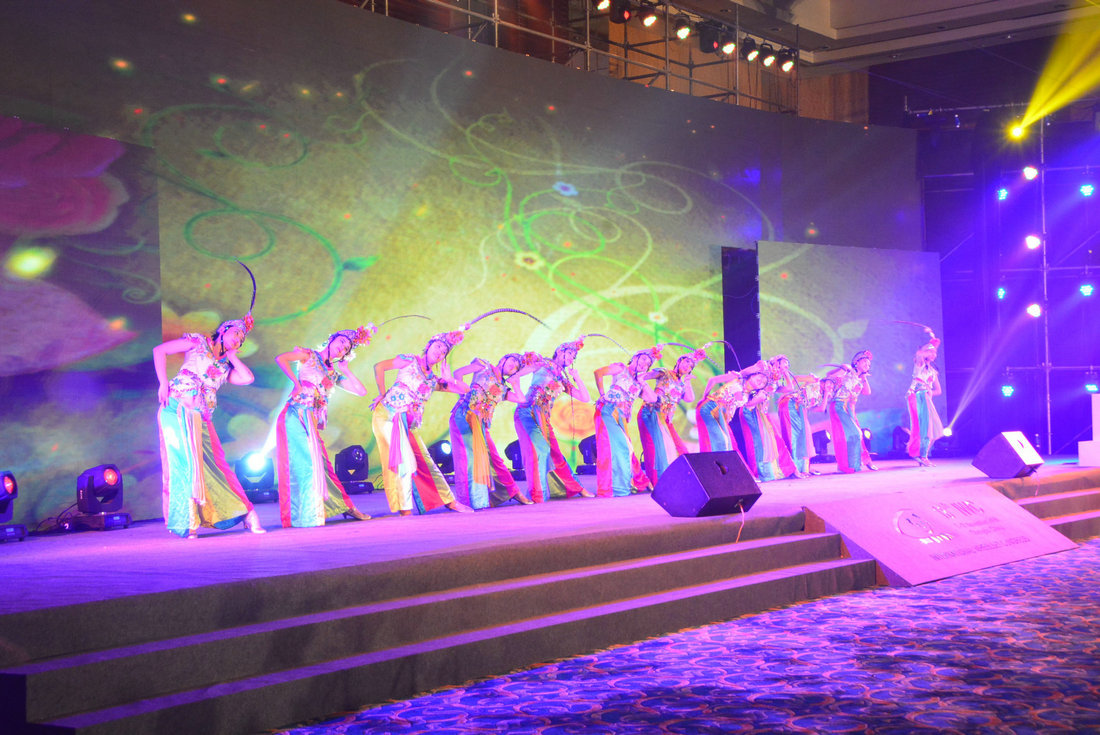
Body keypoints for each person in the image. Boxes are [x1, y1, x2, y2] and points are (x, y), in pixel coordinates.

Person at [154, 315, 265, 539]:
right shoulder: (198, 342)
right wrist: (163, 382)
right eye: (236, 333)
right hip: (175, 408)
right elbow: (160, 350)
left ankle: (246, 513)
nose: (238, 339)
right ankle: (188, 522)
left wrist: (232, 356)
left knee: (218, 465)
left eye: (242, 339)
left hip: (201, 417)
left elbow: (248, 378)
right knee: (183, 464)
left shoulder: (225, 367)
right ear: (223, 330)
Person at [275, 326, 374, 527]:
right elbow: (281, 359)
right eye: (341, 342)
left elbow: (361, 391)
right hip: (296, 413)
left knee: (321, 465)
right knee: (307, 464)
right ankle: (308, 515)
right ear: (332, 339)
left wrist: (346, 370)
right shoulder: (309, 355)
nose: (342, 348)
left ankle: (342, 507)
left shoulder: (333, 374)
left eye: (346, 348)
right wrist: (296, 383)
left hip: (311, 419)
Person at [372, 329, 474, 515]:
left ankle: (449, 501)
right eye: (438, 346)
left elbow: (465, 389)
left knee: (426, 461)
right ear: (428, 346)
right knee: (404, 461)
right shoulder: (409, 360)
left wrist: (450, 379)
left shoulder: (433, 380)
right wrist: (381, 393)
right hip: (389, 416)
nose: (439, 351)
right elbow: (379, 366)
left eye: (444, 351)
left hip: (409, 425)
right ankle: (405, 510)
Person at [449, 352, 539, 509]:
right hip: (464, 417)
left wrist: (516, 383)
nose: (513, 366)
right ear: (503, 359)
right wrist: (463, 397)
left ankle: (512, 492)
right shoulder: (483, 366)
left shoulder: (503, 388)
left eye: (517, 367)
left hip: (481, 424)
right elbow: (458, 373)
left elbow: (521, 399)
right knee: (468, 459)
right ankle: (470, 500)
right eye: (512, 361)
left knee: (495, 459)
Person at [513, 337, 593, 503]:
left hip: (544, 417)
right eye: (570, 354)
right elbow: (518, 374)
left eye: (574, 356)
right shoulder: (543, 363)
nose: (571, 358)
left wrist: (577, 377)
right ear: (559, 351)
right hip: (527, 412)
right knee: (540, 450)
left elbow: (585, 398)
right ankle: (538, 493)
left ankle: (576, 487)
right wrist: (516, 386)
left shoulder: (562, 379)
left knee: (555, 452)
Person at [592, 346, 660, 497]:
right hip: (608, 411)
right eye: (643, 359)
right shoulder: (621, 369)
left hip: (622, 418)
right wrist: (602, 394)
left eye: (648, 363)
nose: (644, 364)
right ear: (635, 357)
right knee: (621, 446)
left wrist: (642, 381)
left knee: (625, 449)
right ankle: (615, 487)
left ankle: (627, 483)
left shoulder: (638, 382)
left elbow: (652, 399)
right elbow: (598, 372)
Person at [637, 349, 701, 487]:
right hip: (651, 413)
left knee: (681, 449)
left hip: (666, 420)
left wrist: (688, 382)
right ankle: (657, 483)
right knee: (655, 450)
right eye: (686, 362)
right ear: (679, 361)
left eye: (691, 366)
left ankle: (675, 480)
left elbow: (689, 398)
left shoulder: (682, 383)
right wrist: (644, 362)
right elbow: (644, 376)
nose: (687, 366)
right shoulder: (665, 373)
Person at [770, 355, 821, 478]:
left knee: (801, 434)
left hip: (794, 406)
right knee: (792, 435)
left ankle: (802, 467)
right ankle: (794, 468)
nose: (787, 365)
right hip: (786, 406)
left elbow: (795, 385)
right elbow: (789, 389)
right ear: (777, 363)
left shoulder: (787, 377)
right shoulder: (773, 376)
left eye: (788, 363)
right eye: (784, 362)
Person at [827, 350, 875, 473]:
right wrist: (842, 369)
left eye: (869, 364)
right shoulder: (847, 372)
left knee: (853, 436)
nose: (867, 365)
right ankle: (845, 465)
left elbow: (867, 392)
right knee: (853, 434)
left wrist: (864, 377)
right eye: (864, 362)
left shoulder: (860, 379)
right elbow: (829, 375)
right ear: (856, 362)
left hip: (848, 408)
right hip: (838, 406)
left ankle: (852, 465)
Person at [738, 367, 788, 481]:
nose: (761, 381)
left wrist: (760, 398)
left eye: (764, 382)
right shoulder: (742, 384)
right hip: (748, 413)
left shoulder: (761, 392)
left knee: (762, 442)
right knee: (756, 442)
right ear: (752, 375)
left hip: (755, 413)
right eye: (760, 377)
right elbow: (746, 405)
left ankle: (766, 473)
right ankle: (759, 473)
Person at [907, 331, 944, 466]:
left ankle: (923, 455)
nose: (934, 354)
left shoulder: (933, 372)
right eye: (931, 352)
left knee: (932, 429)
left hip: (927, 399)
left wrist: (930, 392)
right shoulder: (920, 364)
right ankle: (923, 457)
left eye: (935, 353)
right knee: (925, 428)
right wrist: (931, 342)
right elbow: (919, 355)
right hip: (918, 397)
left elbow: (938, 390)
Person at [695, 368, 746, 456]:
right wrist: (705, 397)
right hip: (712, 408)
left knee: (727, 444)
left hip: (722, 415)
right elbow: (713, 380)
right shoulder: (735, 377)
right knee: (722, 441)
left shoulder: (750, 392)